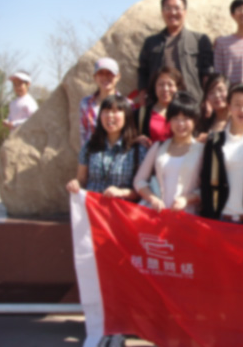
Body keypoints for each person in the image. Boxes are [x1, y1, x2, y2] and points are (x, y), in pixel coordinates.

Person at [66, 94, 147, 347]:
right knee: (97, 274)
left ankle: (121, 325)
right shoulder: (91, 145)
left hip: (123, 223)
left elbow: (142, 189)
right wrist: (74, 184)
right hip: (93, 223)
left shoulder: (138, 149)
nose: (111, 117)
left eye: (117, 111)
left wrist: (122, 192)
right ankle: (100, 324)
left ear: (126, 116)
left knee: (121, 274)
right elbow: (82, 179)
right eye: (106, 112)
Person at [200, 84, 243, 224]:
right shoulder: (214, 141)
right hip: (221, 219)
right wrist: (210, 215)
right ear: (229, 106)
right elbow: (206, 182)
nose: (242, 110)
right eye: (237, 104)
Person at [134, 92, 204, 213]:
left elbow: (207, 189)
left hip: (188, 216)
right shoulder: (158, 146)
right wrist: (152, 198)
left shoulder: (202, 150)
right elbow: (139, 181)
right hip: (157, 214)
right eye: (175, 118)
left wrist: (187, 199)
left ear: (195, 121)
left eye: (186, 119)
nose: (180, 124)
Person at [137, 0, 213, 103]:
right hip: (159, 102)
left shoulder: (199, 40)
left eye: (177, 8)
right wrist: (142, 92)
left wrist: (208, 100)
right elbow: (143, 70)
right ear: (162, 12)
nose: (172, 12)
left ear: (185, 12)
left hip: (192, 102)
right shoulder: (151, 42)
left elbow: (207, 73)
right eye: (168, 8)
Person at [79, 58, 122, 146]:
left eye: (109, 73)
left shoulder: (127, 104)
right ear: (95, 77)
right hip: (92, 151)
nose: (105, 77)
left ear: (118, 76)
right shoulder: (85, 103)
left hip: (119, 152)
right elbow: (83, 133)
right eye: (101, 73)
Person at [136, 66, 184, 145]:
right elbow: (127, 138)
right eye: (161, 85)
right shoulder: (141, 114)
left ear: (178, 87)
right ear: (154, 87)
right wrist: (136, 140)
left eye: (170, 85)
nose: (165, 89)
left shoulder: (186, 112)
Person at [197, 73, 230, 142]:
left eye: (221, 90)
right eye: (211, 92)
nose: (217, 95)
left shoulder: (239, 118)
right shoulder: (205, 122)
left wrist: (210, 137)